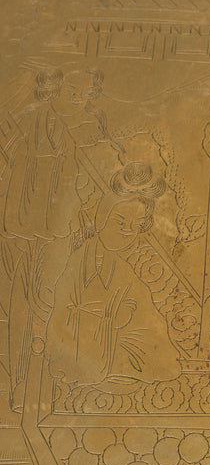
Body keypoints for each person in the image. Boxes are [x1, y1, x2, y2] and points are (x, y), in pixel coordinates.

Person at [2, 67, 114, 410]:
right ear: (54, 90)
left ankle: (45, 383)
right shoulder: (36, 123)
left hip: (65, 229)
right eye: (72, 92)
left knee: (52, 296)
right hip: (29, 223)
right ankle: (19, 383)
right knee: (22, 299)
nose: (79, 99)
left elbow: (100, 174)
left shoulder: (89, 127)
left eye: (85, 94)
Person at [46, 163, 181, 390]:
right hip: (80, 334)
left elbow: (139, 305)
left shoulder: (123, 269)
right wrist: (86, 316)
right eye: (120, 222)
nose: (127, 231)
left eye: (135, 226)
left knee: (154, 354)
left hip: (112, 335)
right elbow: (62, 300)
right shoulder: (77, 258)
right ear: (101, 219)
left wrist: (124, 313)